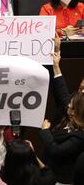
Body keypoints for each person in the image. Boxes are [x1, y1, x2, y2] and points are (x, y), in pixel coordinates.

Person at [39, 50, 84, 184]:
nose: (67, 106)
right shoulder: (74, 110)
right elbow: (62, 94)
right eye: (81, 88)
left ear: (76, 110)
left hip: (62, 180)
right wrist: (56, 65)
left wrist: (45, 131)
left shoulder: (80, 136)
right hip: (49, 170)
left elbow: (56, 151)